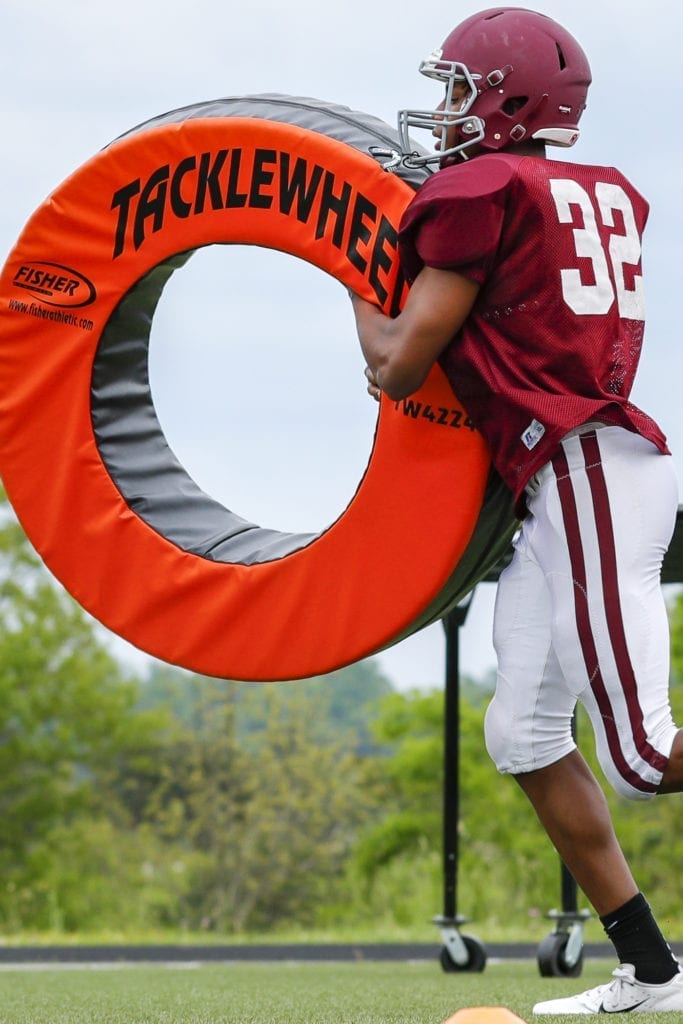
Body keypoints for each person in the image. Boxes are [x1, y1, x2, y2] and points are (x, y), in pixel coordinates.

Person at [348, 6, 683, 1014]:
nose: (447, 110)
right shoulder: (594, 189)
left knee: (640, 755)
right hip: (574, 474)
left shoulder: (485, 189)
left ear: (504, 100)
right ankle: (654, 971)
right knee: (523, 736)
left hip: (584, 465)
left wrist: (347, 276)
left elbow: (396, 362)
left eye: (460, 89)